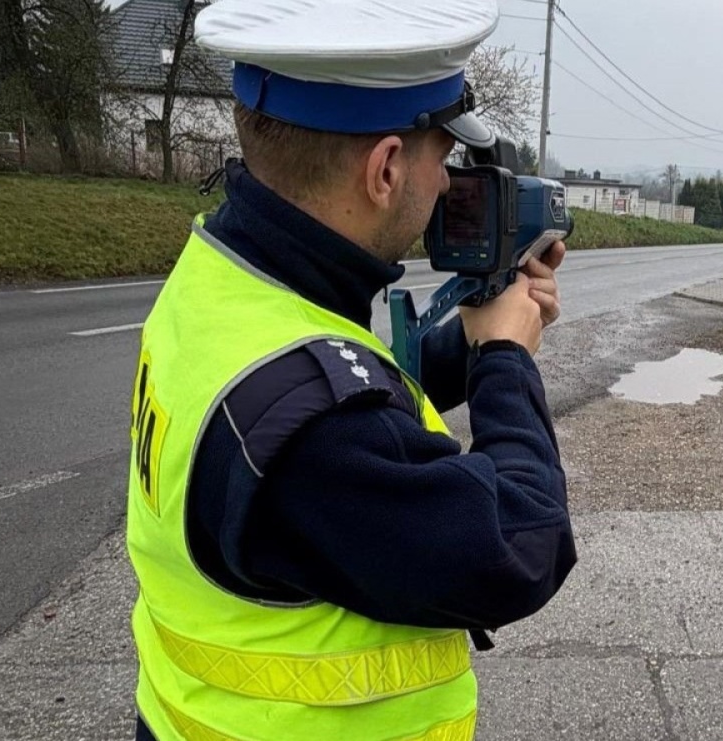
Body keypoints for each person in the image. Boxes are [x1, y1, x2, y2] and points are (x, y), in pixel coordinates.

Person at [124, 1, 577, 739]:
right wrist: (505, 358)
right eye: (442, 157)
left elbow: (343, 387)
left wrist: (468, 340)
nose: (445, 186)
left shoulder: (222, 277)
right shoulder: (316, 435)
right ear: (387, 167)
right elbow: (520, 544)